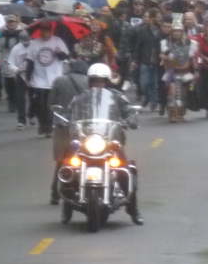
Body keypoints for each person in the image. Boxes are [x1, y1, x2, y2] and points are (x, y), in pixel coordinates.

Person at [63, 64, 143, 225]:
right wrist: (63, 118)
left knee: (126, 171)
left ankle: (133, 210)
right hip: (86, 140)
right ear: (90, 82)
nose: (98, 84)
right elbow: (68, 110)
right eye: (94, 81)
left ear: (107, 82)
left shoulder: (117, 97)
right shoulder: (81, 97)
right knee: (66, 167)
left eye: (101, 81)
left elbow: (129, 110)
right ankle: (66, 206)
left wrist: (132, 119)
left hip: (110, 142)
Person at [49, 60, 89, 204]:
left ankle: (55, 193)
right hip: (83, 127)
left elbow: (51, 103)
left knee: (62, 160)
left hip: (62, 125)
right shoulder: (89, 82)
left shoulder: (59, 80)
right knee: (84, 158)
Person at [26, 23, 69, 137]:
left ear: (51, 31)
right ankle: (42, 125)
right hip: (39, 78)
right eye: (43, 30)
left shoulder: (57, 41)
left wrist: (60, 53)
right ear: (40, 31)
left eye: (47, 30)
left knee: (50, 106)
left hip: (54, 79)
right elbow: (30, 62)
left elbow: (65, 57)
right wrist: (27, 78)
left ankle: (49, 128)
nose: (45, 32)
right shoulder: (34, 43)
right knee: (40, 105)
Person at [132, 8, 163, 111]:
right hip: (145, 60)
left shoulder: (162, 30)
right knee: (144, 83)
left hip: (158, 61)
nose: (159, 19)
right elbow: (137, 46)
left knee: (154, 83)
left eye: (160, 17)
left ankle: (154, 101)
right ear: (152, 18)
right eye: (157, 17)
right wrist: (135, 60)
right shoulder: (142, 30)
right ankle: (148, 96)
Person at [6, 30, 33, 129]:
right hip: (20, 76)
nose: (26, 44)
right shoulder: (16, 49)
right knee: (20, 98)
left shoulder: (35, 46)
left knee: (34, 98)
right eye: (24, 42)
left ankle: (31, 114)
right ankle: (21, 120)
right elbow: (10, 63)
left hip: (33, 76)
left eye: (28, 41)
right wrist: (17, 70)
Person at [0, 15, 23, 112]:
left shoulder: (22, 34)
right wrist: (0, 62)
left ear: (17, 23)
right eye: (9, 22)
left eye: (13, 21)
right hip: (6, 62)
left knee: (17, 84)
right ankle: (11, 103)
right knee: (8, 85)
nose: (11, 23)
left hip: (18, 63)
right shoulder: (2, 34)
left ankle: (17, 103)